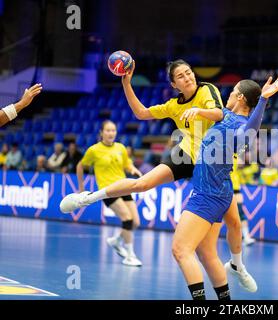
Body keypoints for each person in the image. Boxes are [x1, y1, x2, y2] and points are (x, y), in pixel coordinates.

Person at [60, 59, 257, 291]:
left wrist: (199, 111)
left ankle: (238, 266)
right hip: (186, 155)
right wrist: (126, 83)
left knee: (233, 223)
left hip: (213, 164)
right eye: (181, 76)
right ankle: (88, 197)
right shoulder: (173, 106)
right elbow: (142, 113)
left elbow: (218, 113)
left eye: (189, 72)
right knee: (143, 183)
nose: (188, 77)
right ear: (174, 84)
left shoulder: (207, 89)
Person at [171, 75, 278, 299]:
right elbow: (215, 110)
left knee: (181, 250)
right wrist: (199, 110)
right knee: (206, 253)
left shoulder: (241, 126)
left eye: (233, 90)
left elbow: (250, 131)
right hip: (216, 191)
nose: (229, 93)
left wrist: (262, 100)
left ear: (240, 97)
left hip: (208, 195)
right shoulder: (226, 116)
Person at [76, 120, 143, 267]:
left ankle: (116, 241)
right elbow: (80, 166)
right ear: (101, 133)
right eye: (108, 130)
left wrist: (132, 169)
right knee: (127, 218)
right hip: (108, 190)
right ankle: (130, 255)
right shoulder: (94, 150)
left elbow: (127, 163)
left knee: (135, 222)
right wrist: (81, 187)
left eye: (113, 130)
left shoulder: (121, 148)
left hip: (124, 186)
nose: (111, 133)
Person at [230, 155, 256, 246]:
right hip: (223, 189)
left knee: (241, 214)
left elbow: (242, 163)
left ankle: (246, 237)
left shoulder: (236, 156)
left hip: (236, 189)